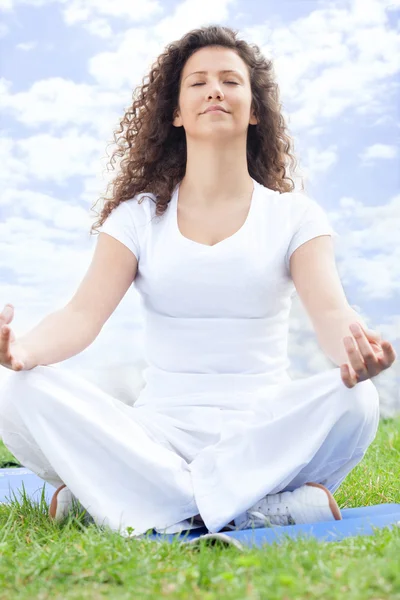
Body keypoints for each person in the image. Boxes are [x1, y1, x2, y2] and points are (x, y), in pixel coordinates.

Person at [0, 25, 396, 539]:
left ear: (254, 109)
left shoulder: (294, 215)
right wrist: (22, 351)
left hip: (262, 432)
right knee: (18, 391)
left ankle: (120, 499)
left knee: (356, 400)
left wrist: (357, 349)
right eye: (199, 82)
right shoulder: (138, 216)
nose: (215, 90)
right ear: (176, 112)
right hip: (156, 433)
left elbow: (330, 314)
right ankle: (250, 507)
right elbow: (81, 315)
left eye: (231, 81)